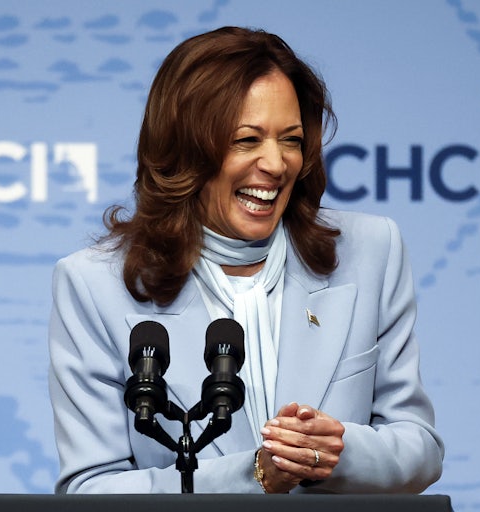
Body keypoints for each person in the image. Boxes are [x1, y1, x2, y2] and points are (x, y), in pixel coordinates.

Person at [48, 26, 444, 494]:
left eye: (291, 140)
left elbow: (420, 447)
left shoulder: (371, 250)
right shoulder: (94, 285)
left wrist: (336, 452)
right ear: (186, 149)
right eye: (247, 140)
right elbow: (92, 489)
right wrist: (256, 475)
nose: (276, 164)